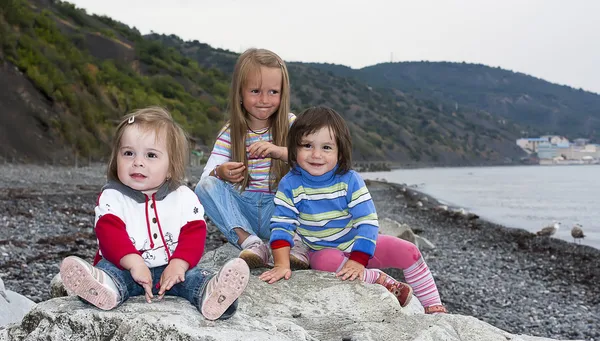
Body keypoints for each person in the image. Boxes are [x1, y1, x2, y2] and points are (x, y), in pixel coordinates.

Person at [60, 106, 249, 321]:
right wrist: (134, 263)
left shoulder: (183, 196)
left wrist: (180, 263)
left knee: (194, 277)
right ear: (116, 158)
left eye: (151, 155)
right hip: (125, 267)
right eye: (128, 153)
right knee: (111, 273)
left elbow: (194, 233)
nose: (137, 162)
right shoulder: (112, 196)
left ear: (170, 167)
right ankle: (102, 288)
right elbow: (110, 233)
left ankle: (212, 294)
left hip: (172, 269)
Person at [260, 106, 447, 314]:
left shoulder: (349, 180)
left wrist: (358, 259)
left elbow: (367, 222)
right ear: (293, 147)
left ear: (340, 151)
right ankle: (377, 278)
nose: (316, 154)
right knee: (324, 262)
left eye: (327, 147)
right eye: (307, 145)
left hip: (358, 244)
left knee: (409, 250)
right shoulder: (290, 184)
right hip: (323, 249)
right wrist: (281, 264)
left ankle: (433, 305)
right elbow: (282, 225)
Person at [195, 48, 308, 270]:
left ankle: (295, 243)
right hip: (243, 207)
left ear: (283, 93)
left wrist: (278, 151)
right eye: (255, 91)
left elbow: (312, 161)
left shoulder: (291, 125)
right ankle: (251, 243)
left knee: (308, 182)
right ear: (240, 93)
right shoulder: (231, 131)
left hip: (280, 209)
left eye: (273, 92)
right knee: (205, 186)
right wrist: (221, 172)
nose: (264, 100)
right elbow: (206, 175)